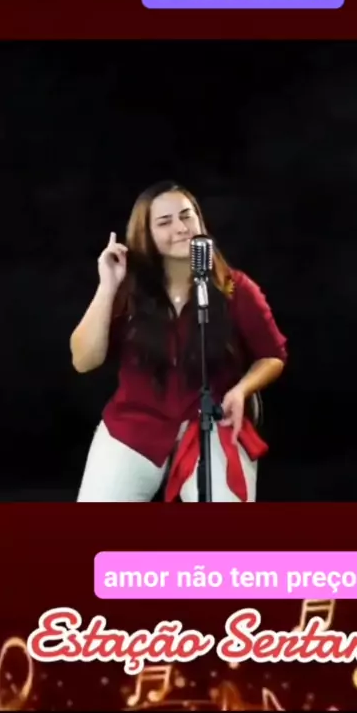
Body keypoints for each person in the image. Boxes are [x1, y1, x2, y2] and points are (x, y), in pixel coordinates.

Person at [71, 180, 287, 502]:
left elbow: (272, 355)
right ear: (146, 234)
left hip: (211, 422)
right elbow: (83, 361)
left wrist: (242, 390)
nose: (181, 228)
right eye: (165, 222)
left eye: (187, 216)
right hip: (134, 425)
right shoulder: (128, 289)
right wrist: (108, 286)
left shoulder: (234, 288)